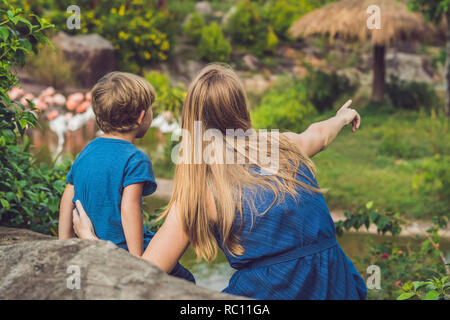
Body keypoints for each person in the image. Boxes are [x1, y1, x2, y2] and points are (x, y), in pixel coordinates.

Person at [73, 64, 366, 299]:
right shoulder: (283, 145)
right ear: (240, 106)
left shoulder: (200, 189)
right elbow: (320, 134)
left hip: (273, 290)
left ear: (192, 118)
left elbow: (144, 273)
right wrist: (341, 117)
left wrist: (90, 241)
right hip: (336, 281)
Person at [58, 71, 194, 283]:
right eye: (151, 109)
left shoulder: (85, 151)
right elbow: (130, 209)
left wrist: (65, 244)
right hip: (120, 247)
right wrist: (136, 259)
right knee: (186, 279)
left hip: (89, 243)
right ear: (141, 116)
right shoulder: (135, 158)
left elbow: (67, 198)